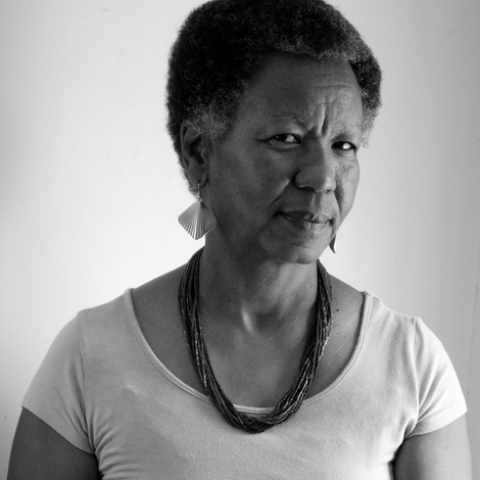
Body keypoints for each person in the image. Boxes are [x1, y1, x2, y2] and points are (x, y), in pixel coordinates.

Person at [7, 0, 472, 478]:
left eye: (343, 145)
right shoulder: (91, 359)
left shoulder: (411, 367)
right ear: (198, 154)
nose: (322, 176)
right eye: (286, 138)